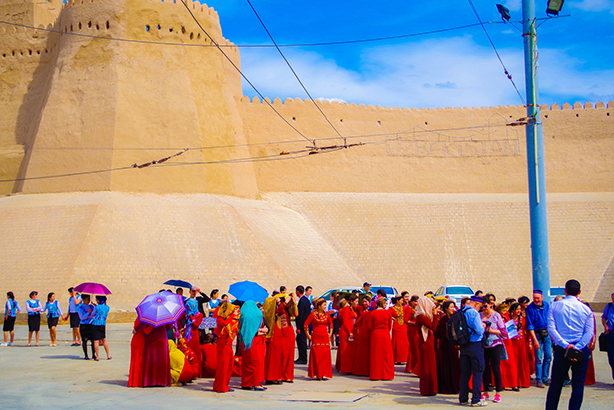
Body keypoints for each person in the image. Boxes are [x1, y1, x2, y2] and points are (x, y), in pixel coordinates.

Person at [545, 279, 595, 410]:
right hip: (580, 349)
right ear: (579, 292)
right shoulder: (586, 309)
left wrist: (565, 345)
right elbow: (589, 332)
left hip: (562, 349)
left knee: (556, 384)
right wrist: (577, 347)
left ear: (565, 291)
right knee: (578, 384)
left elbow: (551, 328)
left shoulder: (554, 306)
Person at [458, 295, 487, 407]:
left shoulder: (462, 310)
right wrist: (484, 326)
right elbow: (479, 330)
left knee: (465, 373)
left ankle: (463, 398)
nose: (481, 308)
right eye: (480, 306)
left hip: (464, 344)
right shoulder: (473, 313)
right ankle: (476, 399)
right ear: (476, 304)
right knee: (477, 372)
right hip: (475, 344)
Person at [480, 299, 507, 403]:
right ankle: (485, 391)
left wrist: (490, 330)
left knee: (495, 368)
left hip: (495, 344)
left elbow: (503, 332)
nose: (484, 309)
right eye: (482, 307)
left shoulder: (496, 315)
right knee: (484, 368)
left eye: (485, 306)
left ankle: (498, 392)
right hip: (484, 344)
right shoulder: (479, 315)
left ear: (490, 305)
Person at [239, 300, 267, 391]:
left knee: (247, 363)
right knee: (255, 362)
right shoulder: (257, 315)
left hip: (245, 341)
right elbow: (256, 330)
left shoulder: (242, 316)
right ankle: (256, 383)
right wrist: (261, 331)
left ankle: (246, 383)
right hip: (254, 341)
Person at [526, 289, 551, 388]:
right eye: (534, 298)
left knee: (548, 356)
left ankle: (545, 377)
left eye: (537, 298)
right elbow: (530, 325)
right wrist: (534, 340)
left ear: (542, 297)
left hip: (547, 333)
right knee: (538, 358)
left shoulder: (546, 305)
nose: (536, 300)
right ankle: (539, 379)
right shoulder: (530, 308)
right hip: (537, 334)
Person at [213, 300, 240, 393]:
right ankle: (221, 386)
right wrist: (233, 315)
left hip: (227, 344)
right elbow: (224, 323)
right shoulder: (220, 319)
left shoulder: (227, 319)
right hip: (223, 345)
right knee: (223, 366)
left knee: (228, 365)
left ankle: (224, 384)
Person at [414, 296, 439, 396]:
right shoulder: (420, 317)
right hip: (425, 343)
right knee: (426, 367)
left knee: (431, 366)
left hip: (428, 342)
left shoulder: (424, 316)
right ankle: (427, 389)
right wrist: (435, 315)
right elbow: (433, 327)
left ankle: (431, 388)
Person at [304, 298, 333, 380]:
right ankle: (318, 374)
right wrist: (308, 335)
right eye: (323, 305)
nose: (325, 307)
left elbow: (331, 324)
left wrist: (330, 333)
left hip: (325, 337)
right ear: (319, 306)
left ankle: (324, 373)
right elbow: (305, 325)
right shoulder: (313, 314)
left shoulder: (326, 314)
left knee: (325, 356)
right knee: (317, 355)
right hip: (316, 337)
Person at [436, 300, 460, 394]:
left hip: (452, 344)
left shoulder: (452, 317)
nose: (452, 309)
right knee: (447, 365)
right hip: (446, 345)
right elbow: (444, 332)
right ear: (446, 308)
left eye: (453, 307)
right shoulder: (445, 318)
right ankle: (447, 387)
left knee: (453, 365)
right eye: (450, 307)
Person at [369, 297, 394, 380]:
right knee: (386, 354)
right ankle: (387, 374)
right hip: (385, 334)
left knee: (376, 355)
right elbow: (390, 325)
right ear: (383, 304)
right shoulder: (387, 313)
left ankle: (376, 374)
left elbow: (370, 326)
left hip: (376, 334)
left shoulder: (373, 313)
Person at [508, 302, 531, 389]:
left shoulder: (523, 319)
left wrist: (529, 342)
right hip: (511, 343)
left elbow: (527, 331)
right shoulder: (508, 319)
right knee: (513, 362)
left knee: (522, 362)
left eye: (519, 309)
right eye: (517, 309)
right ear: (513, 310)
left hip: (521, 343)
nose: (519, 311)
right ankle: (513, 382)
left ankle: (522, 382)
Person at [184, 287, 204, 377]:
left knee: (196, 348)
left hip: (196, 325)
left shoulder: (196, 301)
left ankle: (197, 371)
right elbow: (189, 313)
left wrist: (198, 318)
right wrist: (193, 320)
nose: (194, 293)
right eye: (192, 291)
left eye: (195, 292)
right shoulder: (188, 302)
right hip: (191, 326)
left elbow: (196, 312)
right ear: (189, 292)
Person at [338, 294, 359, 373]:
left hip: (352, 330)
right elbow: (345, 321)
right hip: (346, 331)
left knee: (351, 351)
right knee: (345, 350)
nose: (357, 303)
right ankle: (345, 368)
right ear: (351, 302)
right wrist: (349, 332)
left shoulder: (353, 309)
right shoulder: (346, 309)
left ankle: (350, 368)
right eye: (356, 301)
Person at [352, 295, 372, 377]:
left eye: (366, 301)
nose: (364, 303)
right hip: (363, 331)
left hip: (368, 331)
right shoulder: (361, 309)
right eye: (363, 301)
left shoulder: (371, 311)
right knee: (362, 351)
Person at [390, 296, 409, 364]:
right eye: (401, 300)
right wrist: (392, 318)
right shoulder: (391, 308)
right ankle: (396, 359)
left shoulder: (404, 308)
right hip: (396, 326)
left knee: (404, 343)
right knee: (396, 342)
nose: (402, 302)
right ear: (397, 301)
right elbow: (387, 314)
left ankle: (404, 358)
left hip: (403, 326)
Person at [92, 296, 111, 360]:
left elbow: (93, 314)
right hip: (103, 324)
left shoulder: (96, 307)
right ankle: (108, 355)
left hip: (95, 324)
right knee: (104, 340)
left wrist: (95, 307)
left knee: (96, 341)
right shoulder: (107, 307)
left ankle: (97, 356)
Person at [295, 285, 310, 365]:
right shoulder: (306, 300)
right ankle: (301, 357)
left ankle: (303, 358)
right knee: (300, 340)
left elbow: (301, 316)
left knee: (302, 341)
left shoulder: (302, 301)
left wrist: (299, 327)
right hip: (305, 324)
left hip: (302, 325)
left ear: (297, 292)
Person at [404, 295, 419, 374]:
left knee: (415, 348)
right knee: (412, 347)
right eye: (415, 301)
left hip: (415, 329)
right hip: (411, 330)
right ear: (411, 301)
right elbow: (406, 320)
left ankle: (413, 366)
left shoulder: (415, 309)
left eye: (417, 301)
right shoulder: (409, 309)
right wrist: (415, 323)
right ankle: (409, 367)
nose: (416, 303)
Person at [78, 294, 96, 360]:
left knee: (93, 340)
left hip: (91, 324)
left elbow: (94, 313)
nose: (89, 300)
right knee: (85, 340)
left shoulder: (91, 306)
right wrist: (88, 313)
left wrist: (95, 307)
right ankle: (86, 355)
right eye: (87, 299)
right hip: (84, 325)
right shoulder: (80, 307)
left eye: (89, 299)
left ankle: (93, 354)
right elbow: (81, 317)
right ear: (84, 299)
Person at [602, 291, 614, 383]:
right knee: (612, 358)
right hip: (611, 335)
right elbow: (604, 317)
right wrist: (605, 326)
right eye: (613, 298)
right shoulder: (609, 306)